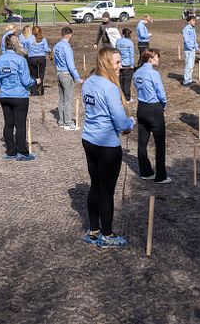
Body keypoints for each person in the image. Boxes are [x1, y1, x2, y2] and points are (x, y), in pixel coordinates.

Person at [81, 46, 135, 248]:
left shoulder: (88, 82)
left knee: (95, 185)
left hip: (89, 140)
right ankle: (107, 234)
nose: (120, 66)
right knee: (106, 191)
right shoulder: (109, 87)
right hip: (107, 145)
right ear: (106, 63)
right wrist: (131, 122)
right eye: (117, 62)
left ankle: (93, 230)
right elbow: (121, 122)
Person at [0, 34, 39, 161]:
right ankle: (22, 153)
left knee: (8, 124)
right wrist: (34, 81)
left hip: (5, 95)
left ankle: (10, 152)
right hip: (19, 96)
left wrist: (5, 88)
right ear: (16, 44)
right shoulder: (20, 60)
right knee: (20, 125)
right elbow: (26, 81)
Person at [133, 49, 170, 183]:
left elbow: (136, 87)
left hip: (141, 107)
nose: (158, 59)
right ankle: (161, 176)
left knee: (142, 143)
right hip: (154, 108)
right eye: (156, 57)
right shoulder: (153, 73)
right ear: (150, 59)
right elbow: (160, 91)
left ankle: (146, 172)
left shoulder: (137, 73)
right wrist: (163, 104)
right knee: (159, 144)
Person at [53, 27, 83, 130]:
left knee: (61, 99)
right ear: (70, 35)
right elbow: (71, 65)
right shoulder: (67, 48)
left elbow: (55, 61)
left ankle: (61, 121)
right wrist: (78, 78)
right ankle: (68, 123)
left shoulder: (56, 46)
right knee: (68, 99)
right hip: (66, 75)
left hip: (59, 74)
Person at [26, 26, 51, 96]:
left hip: (32, 58)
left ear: (32, 31)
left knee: (33, 74)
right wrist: (50, 51)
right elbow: (46, 49)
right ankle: (40, 90)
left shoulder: (28, 39)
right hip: (41, 58)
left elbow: (26, 48)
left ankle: (34, 91)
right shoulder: (43, 39)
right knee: (41, 74)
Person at [115, 28, 135, 101]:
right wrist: (132, 65)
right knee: (127, 82)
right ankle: (127, 98)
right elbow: (131, 54)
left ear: (122, 34)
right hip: (127, 65)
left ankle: (120, 96)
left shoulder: (118, 41)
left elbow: (116, 52)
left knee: (120, 81)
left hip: (119, 64)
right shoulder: (130, 43)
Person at [182, 16, 198, 85]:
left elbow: (194, 39)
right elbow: (186, 40)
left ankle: (189, 79)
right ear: (189, 21)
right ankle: (186, 80)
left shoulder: (193, 29)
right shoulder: (186, 29)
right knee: (188, 65)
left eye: (194, 20)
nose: (194, 22)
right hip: (188, 50)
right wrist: (190, 48)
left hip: (192, 49)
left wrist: (196, 47)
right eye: (193, 20)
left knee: (192, 65)